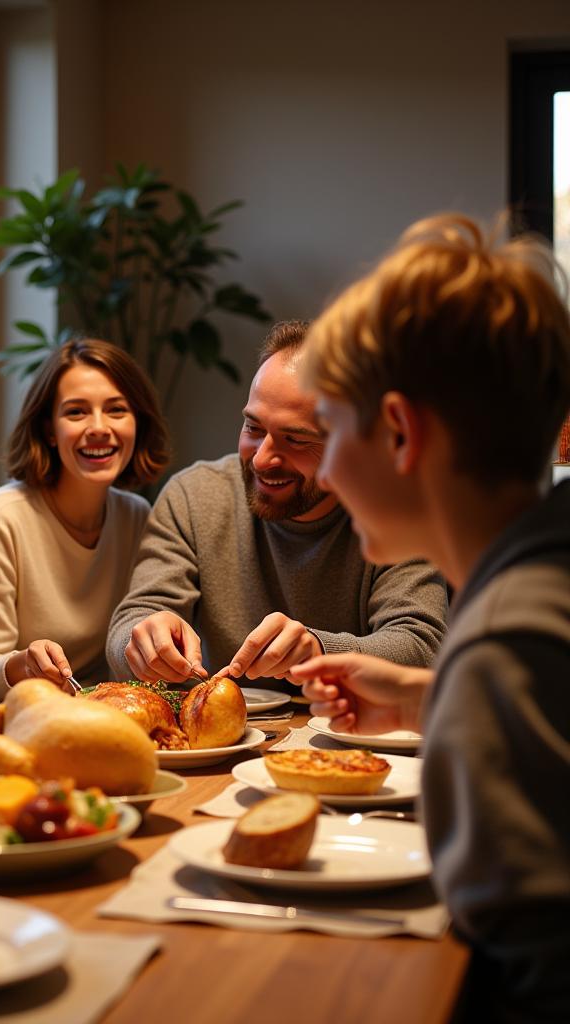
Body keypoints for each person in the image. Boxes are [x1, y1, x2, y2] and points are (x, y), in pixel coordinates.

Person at [291, 213, 570, 1020]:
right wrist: (426, 695)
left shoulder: (506, 649)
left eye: (331, 431)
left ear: (402, 432)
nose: (328, 469)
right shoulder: (535, 592)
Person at [106, 320, 448, 686]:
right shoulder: (194, 496)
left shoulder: (396, 509)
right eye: (253, 428)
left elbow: (423, 646)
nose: (261, 459)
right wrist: (141, 640)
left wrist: (319, 649)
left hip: (351, 736)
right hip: (229, 738)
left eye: (295, 440)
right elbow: (129, 624)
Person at [0, 338, 171, 701]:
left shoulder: (136, 516)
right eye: (76, 412)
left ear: (137, 423)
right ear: (49, 429)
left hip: (100, 716)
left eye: (116, 410)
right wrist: (24, 665)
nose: (99, 427)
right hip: (11, 719)